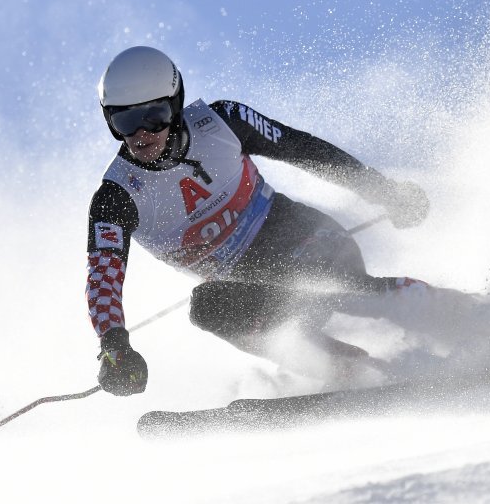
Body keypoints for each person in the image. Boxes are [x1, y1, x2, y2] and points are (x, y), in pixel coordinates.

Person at [87, 46, 431, 396]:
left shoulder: (223, 121)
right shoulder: (116, 199)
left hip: (312, 242)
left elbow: (304, 150)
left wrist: (383, 191)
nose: (141, 134)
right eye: (125, 121)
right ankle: (350, 369)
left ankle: (441, 309)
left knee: (307, 277)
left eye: (154, 116)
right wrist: (114, 348)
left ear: (175, 106)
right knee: (207, 308)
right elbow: (103, 281)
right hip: (261, 297)